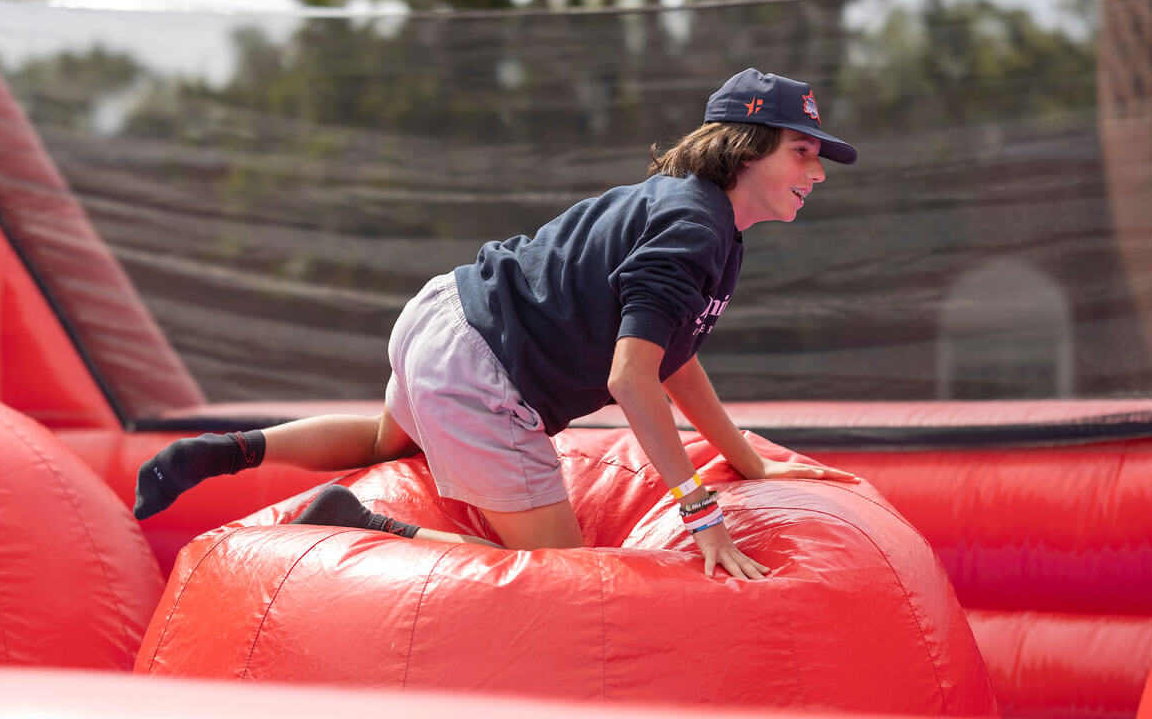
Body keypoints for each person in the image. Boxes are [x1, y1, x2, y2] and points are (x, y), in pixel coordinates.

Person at [133, 69, 861, 579]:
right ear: (747, 144)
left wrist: (748, 458)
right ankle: (365, 525)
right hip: (483, 371)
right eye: (803, 151)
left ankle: (228, 450)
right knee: (564, 578)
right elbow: (632, 379)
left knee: (390, 440)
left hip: (444, 314)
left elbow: (671, 355)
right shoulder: (693, 232)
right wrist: (702, 514)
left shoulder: (691, 213)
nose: (819, 172)